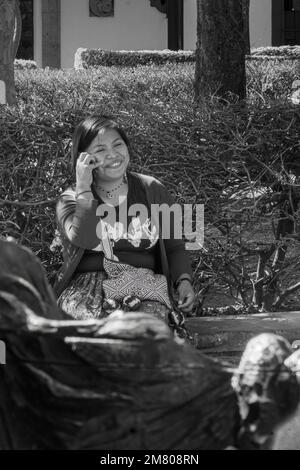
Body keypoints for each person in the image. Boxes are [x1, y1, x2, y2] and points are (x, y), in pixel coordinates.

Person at [53, 115, 195, 332]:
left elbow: (174, 245)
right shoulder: (70, 199)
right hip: (87, 288)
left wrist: (183, 280)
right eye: (100, 150)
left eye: (118, 144)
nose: (112, 154)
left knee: (147, 329)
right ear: (84, 158)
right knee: (91, 330)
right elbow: (86, 239)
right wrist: (84, 187)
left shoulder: (152, 189)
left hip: (144, 285)